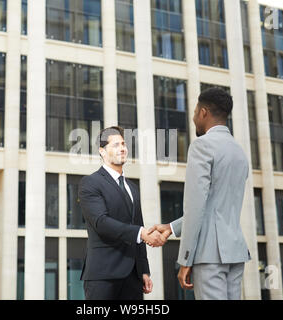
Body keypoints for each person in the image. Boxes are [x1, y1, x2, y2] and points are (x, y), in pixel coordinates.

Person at [148, 87, 252, 300]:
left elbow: (196, 207)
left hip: (209, 254)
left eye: (195, 112)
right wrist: (171, 227)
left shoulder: (202, 146)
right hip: (234, 252)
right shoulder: (239, 152)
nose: (194, 118)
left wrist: (186, 259)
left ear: (204, 112)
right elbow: (215, 206)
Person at [78, 126, 165, 300]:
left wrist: (144, 270)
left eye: (124, 144)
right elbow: (101, 223)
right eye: (116, 145)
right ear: (102, 151)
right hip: (103, 275)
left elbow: (138, 228)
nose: (123, 148)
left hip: (133, 276)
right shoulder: (90, 183)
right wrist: (141, 233)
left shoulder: (132, 188)